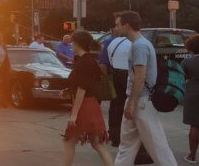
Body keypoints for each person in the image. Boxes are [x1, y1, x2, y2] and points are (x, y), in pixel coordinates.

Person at [114, 11, 177, 165]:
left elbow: (140, 77)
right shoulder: (140, 44)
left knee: (157, 145)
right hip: (139, 101)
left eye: (117, 25)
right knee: (127, 146)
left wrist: (131, 103)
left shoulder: (140, 46)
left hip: (142, 102)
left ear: (126, 25)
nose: (114, 28)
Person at [61, 31, 113, 166]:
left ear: (78, 44)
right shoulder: (87, 60)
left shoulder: (85, 62)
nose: (71, 45)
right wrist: (67, 91)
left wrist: (74, 115)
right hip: (92, 105)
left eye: (73, 42)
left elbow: (82, 89)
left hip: (84, 106)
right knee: (97, 143)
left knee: (69, 142)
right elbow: (85, 84)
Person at [98, 17, 132, 148]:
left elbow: (103, 65)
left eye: (118, 25)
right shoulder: (134, 42)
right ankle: (126, 135)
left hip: (115, 75)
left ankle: (114, 135)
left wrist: (107, 80)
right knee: (127, 106)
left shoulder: (108, 43)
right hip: (128, 75)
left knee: (115, 107)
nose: (116, 28)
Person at [182, 35, 199, 164]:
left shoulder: (187, 62)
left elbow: (180, 77)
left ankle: (192, 156)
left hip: (193, 93)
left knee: (195, 125)